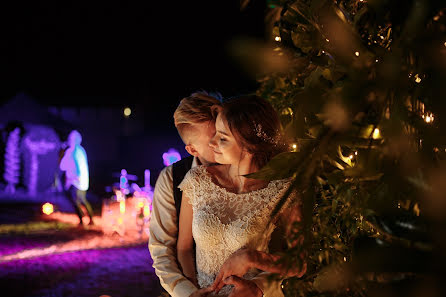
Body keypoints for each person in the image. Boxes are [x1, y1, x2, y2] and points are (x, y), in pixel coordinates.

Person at [177, 95, 306, 297]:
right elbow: (183, 248)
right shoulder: (197, 180)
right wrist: (193, 290)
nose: (212, 142)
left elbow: (299, 263)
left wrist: (253, 258)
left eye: (222, 138)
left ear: (250, 145)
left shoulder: (283, 190)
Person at [149, 92, 276, 297]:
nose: (217, 142)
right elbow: (163, 249)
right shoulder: (174, 179)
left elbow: (285, 253)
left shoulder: (266, 183)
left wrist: (259, 284)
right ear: (192, 150)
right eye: (212, 140)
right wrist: (190, 291)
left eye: (223, 134)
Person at [59, 130, 95, 226]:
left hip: (78, 181)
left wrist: (78, 177)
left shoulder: (78, 151)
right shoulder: (70, 151)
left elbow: (80, 166)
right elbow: (62, 166)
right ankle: (83, 219)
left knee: (79, 200)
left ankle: (88, 219)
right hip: (73, 181)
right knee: (76, 200)